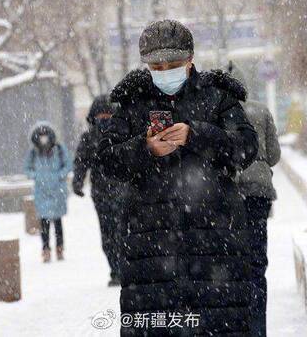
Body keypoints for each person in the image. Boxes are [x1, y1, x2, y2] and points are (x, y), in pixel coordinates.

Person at [99, 20, 259, 336]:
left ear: (190, 61)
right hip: (150, 242)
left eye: (173, 64)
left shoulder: (218, 96)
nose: (165, 71)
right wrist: (144, 148)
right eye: (157, 66)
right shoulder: (133, 102)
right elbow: (106, 160)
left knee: (219, 324)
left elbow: (246, 147)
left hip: (214, 239)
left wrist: (196, 134)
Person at [228, 60, 281, 337]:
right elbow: (273, 155)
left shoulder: (217, 114)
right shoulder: (261, 111)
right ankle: (258, 329)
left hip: (229, 196)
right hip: (259, 192)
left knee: (233, 264)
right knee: (257, 264)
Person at [72, 95, 126, 286]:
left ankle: (126, 270)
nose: (104, 118)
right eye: (100, 114)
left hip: (123, 192)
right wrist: (77, 183)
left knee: (123, 231)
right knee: (108, 234)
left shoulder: (122, 134)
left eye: (108, 114)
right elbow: (80, 162)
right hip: (101, 194)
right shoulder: (89, 138)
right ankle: (115, 270)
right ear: (93, 116)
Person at [24, 121, 73, 263]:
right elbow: (27, 169)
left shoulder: (59, 149)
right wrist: (37, 177)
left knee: (58, 222)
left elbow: (68, 164)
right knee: (44, 223)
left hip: (57, 190)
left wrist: (59, 175)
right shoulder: (33, 152)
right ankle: (45, 249)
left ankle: (59, 248)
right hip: (42, 191)